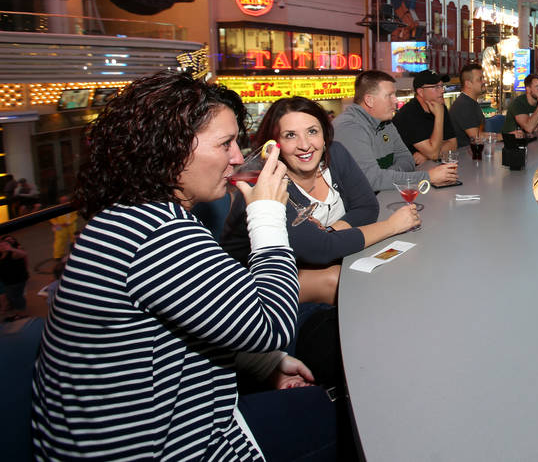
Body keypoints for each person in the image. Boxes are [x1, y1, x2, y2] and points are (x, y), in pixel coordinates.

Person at [31, 71, 333, 460]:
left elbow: (177, 325)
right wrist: (267, 216)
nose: (238, 157)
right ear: (169, 152)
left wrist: (258, 362)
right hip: (157, 448)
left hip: (156, 426)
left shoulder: (133, 216)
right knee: (336, 418)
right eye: (225, 144)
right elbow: (271, 327)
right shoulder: (157, 233)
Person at [223, 96, 418, 304]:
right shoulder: (266, 185)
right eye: (290, 135)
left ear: (324, 135)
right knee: (349, 283)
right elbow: (321, 250)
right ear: (274, 146)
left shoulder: (336, 153)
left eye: (312, 131)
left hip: (315, 265)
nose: (305, 145)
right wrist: (392, 226)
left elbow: (367, 207)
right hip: (255, 294)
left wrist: (330, 231)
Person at [333, 70, 458, 192]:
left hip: (382, 197)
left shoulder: (386, 123)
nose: (396, 100)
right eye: (390, 95)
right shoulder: (349, 127)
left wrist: (387, 175)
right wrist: (427, 177)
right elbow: (372, 180)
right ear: (369, 100)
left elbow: (408, 160)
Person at [393, 69, 457, 162]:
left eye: (442, 86)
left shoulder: (440, 106)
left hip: (430, 167)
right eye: (436, 87)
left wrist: (426, 156)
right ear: (421, 92)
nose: (442, 90)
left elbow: (453, 144)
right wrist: (439, 116)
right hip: (408, 173)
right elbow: (434, 154)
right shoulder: (408, 114)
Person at [449, 63, 487, 146]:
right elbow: (477, 137)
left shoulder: (470, 102)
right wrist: (507, 136)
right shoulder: (463, 105)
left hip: (472, 153)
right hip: (463, 156)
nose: (484, 81)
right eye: (480, 79)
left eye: (483, 78)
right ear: (468, 84)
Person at [0, 234, 29, 321]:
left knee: (17, 297)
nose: (2, 247)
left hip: (16, 282)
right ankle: (17, 313)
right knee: (12, 297)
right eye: (1, 245)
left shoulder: (13, 254)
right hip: (7, 282)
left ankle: (22, 314)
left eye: (5, 245)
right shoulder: (1, 255)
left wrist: (11, 249)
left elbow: (25, 254)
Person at [48, 195, 78, 260]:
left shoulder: (72, 206)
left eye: (65, 200)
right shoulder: (56, 208)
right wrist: (57, 224)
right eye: (63, 200)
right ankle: (57, 256)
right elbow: (51, 218)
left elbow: (75, 215)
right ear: (60, 201)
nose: (64, 201)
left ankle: (75, 253)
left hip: (71, 226)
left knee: (74, 239)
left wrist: (69, 222)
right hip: (60, 227)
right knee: (59, 241)